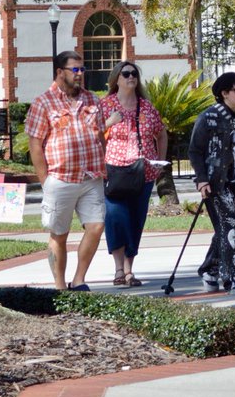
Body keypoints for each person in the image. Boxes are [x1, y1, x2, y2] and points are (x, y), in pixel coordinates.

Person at [25, 50, 106, 291]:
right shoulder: (43, 103)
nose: (80, 74)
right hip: (60, 179)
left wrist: (104, 162)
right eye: (75, 70)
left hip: (91, 176)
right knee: (59, 234)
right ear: (60, 72)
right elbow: (35, 145)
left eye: (82, 70)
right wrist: (45, 181)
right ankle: (60, 287)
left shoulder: (92, 100)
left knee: (97, 226)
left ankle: (79, 279)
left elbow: (100, 135)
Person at [189, 71, 235, 295]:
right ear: (224, 93)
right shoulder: (209, 117)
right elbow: (195, 150)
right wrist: (201, 180)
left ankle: (210, 270)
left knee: (228, 229)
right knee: (230, 230)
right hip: (216, 184)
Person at [101, 61, 167, 287]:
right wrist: (110, 122)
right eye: (126, 74)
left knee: (136, 220)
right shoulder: (106, 105)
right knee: (116, 218)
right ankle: (118, 268)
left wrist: (159, 162)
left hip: (144, 173)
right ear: (116, 79)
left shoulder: (147, 107)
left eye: (134, 74)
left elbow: (161, 133)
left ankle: (129, 269)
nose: (131, 77)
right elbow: (92, 134)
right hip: (113, 171)